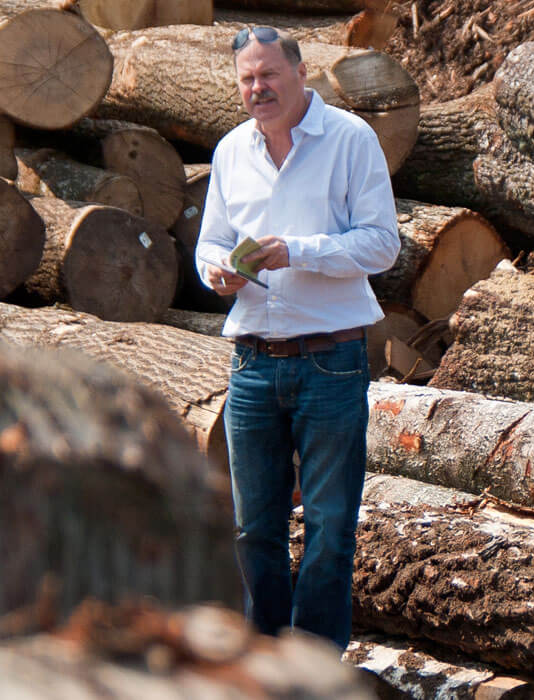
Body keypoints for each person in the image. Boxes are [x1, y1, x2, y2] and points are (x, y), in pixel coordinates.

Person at [195, 26, 400, 650]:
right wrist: (215, 271)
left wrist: (298, 252)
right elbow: (209, 241)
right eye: (247, 80)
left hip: (330, 360)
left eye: (269, 75)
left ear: (300, 72)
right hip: (252, 364)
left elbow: (383, 243)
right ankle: (263, 666)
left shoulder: (350, 140)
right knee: (252, 529)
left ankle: (313, 670)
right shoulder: (231, 151)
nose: (259, 89)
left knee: (331, 527)